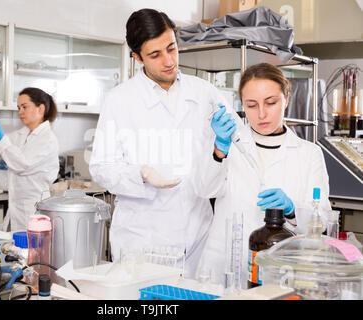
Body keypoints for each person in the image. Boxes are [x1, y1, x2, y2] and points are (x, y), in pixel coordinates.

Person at [89, 8, 236, 278]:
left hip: (197, 238)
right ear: (137, 57)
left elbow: (238, 144)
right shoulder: (119, 100)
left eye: (172, 48)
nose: (168, 61)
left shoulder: (205, 93)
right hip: (142, 243)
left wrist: (225, 145)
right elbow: (101, 167)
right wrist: (140, 174)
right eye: (155, 55)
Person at [194, 63, 332, 286]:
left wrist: (292, 209)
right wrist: (219, 151)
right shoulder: (228, 142)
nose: (261, 114)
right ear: (242, 105)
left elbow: (322, 218)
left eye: (271, 102)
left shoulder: (309, 154)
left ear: (286, 97)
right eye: (251, 105)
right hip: (224, 263)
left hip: (280, 269)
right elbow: (204, 189)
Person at [0, 87, 60, 232]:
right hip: (15, 211)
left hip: (35, 211)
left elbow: (22, 164)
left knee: (33, 252)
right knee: (15, 252)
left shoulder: (47, 139)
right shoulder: (22, 135)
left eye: (24, 107)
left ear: (40, 108)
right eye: (18, 107)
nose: (20, 112)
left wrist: (2, 137)